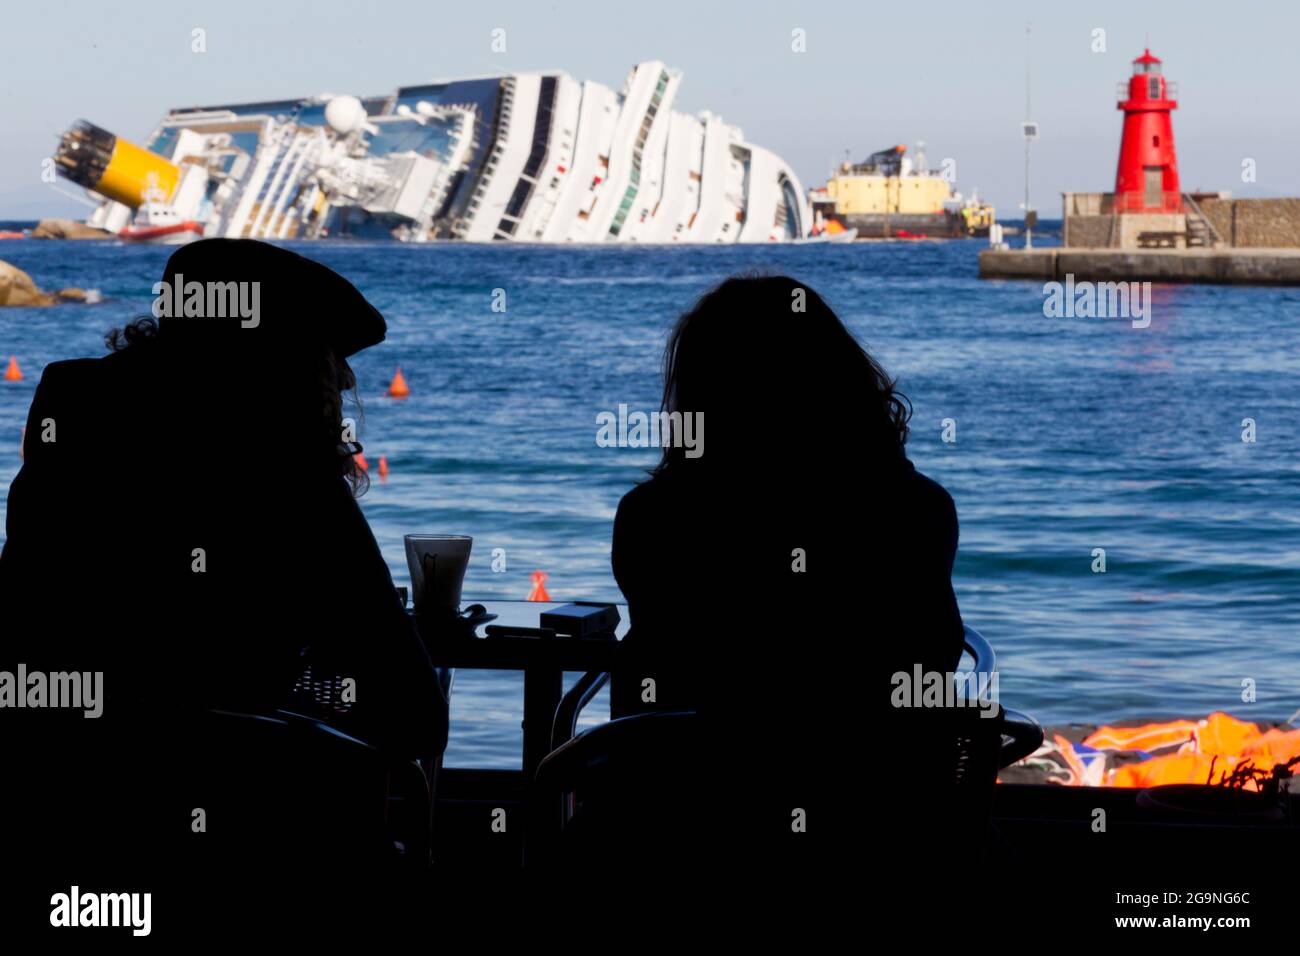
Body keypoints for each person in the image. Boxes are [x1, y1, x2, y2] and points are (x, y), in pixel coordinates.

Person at [0, 240, 445, 903]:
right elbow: (413, 714)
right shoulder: (288, 476)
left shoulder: (71, 437)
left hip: (50, 822)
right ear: (293, 370)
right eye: (330, 373)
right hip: (241, 853)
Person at [606, 274, 965, 878]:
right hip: (886, 833)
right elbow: (931, 663)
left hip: (687, 834)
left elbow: (663, 685)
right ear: (842, 380)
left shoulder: (653, 519)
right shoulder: (919, 510)